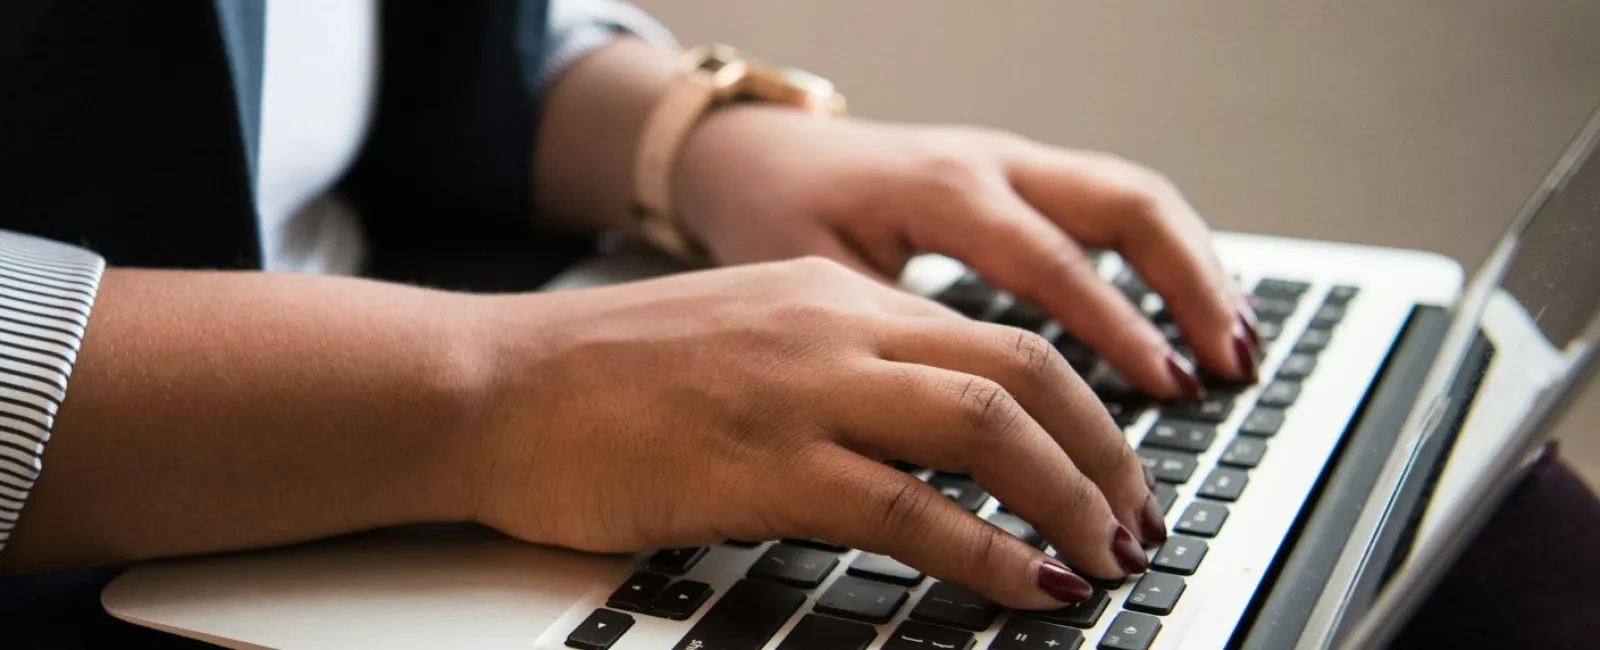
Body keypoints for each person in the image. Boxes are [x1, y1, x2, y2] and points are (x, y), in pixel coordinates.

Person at [0, 2, 1594, 648]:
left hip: (455, 341)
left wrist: (698, 139)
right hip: (160, 509)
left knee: (1475, 537)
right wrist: (494, 390)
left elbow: (390, 46)